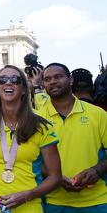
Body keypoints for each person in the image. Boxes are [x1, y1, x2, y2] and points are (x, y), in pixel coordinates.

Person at [0, 65, 61, 212]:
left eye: (15, 79)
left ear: (24, 89)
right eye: (2, 79)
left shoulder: (41, 125)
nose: (8, 82)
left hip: (29, 207)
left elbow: (55, 177)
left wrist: (28, 195)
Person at [39, 63, 107, 212]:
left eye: (58, 77)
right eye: (47, 79)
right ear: (43, 84)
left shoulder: (98, 114)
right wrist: (56, 177)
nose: (53, 82)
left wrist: (97, 170)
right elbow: (32, 160)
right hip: (53, 202)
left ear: (70, 80)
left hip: (97, 201)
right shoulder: (36, 119)